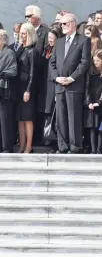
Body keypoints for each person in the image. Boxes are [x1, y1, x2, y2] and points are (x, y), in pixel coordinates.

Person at [49, 13, 91, 154]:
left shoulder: (83, 40)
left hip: (74, 85)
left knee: (74, 117)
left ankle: (75, 146)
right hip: (60, 85)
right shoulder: (59, 42)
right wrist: (57, 78)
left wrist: (72, 78)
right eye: (61, 24)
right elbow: (52, 63)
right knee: (61, 117)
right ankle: (63, 146)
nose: (62, 26)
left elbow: (84, 62)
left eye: (65, 23)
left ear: (73, 24)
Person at [38, 25, 63, 153]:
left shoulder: (60, 50)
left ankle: (57, 143)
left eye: (52, 38)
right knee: (47, 113)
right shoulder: (47, 49)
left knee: (56, 114)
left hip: (54, 84)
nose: (50, 41)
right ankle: (48, 139)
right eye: (49, 38)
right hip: (45, 86)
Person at [16, 23, 39, 154]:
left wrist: (28, 89)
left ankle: (29, 145)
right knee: (20, 118)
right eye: (21, 33)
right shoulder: (21, 49)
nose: (22, 35)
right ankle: (22, 144)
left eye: (24, 33)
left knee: (27, 117)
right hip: (18, 87)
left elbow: (33, 72)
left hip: (27, 88)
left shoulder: (33, 51)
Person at [84, 49, 102, 154]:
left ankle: (99, 150)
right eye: (94, 60)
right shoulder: (91, 72)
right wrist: (89, 102)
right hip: (92, 103)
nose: (95, 62)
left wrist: (99, 102)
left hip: (99, 103)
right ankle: (93, 149)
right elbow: (87, 88)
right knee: (92, 127)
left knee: (100, 128)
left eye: (98, 60)